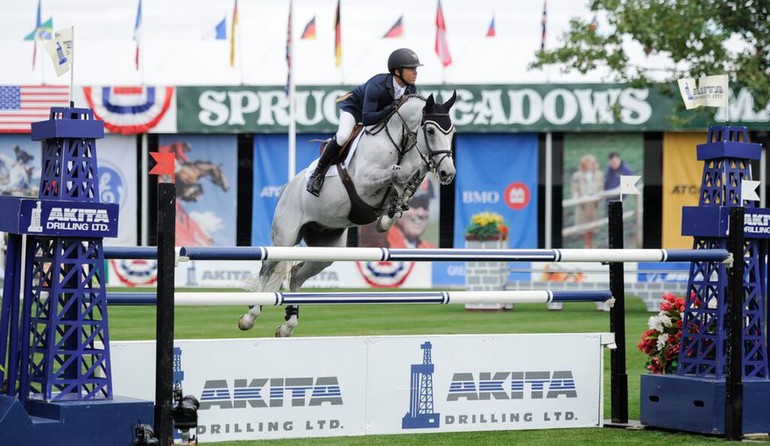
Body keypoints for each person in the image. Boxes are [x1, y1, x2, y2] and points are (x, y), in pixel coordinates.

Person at [306, 48, 423, 196]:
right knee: (343, 135)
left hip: (380, 115)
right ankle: (317, 175)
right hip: (355, 111)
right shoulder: (377, 85)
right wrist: (389, 110)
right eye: (411, 68)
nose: (415, 72)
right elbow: (367, 119)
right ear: (397, 71)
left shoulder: (411, 89)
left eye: (416, 68)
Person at [387, 179, 436, 248]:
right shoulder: (381, 243)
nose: (421, 213)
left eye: (425, 204)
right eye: (414, 204)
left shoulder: (431, 250)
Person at [571, 154, 604, 249]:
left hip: (594, 203)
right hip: (583, 203)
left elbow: (601, 188)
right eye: (587, 164)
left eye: (591, 164)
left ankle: (591, 244)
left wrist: (598, 195)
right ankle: (586, 245)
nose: (589, 166)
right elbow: (574, 189)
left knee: (593, 226)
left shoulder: (599, 174)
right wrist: (577, 196)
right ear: (583, 165)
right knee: (584, 225)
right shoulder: (577, 175)